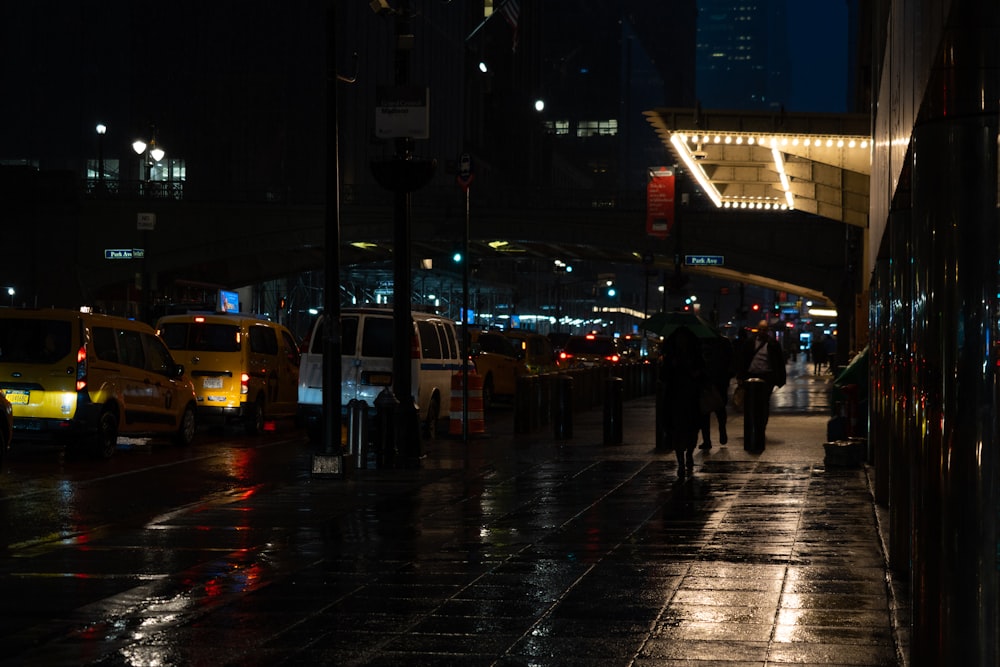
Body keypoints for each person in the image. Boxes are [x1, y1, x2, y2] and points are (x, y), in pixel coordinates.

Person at [659, 325, 705, 479]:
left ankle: (690, 453)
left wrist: (695, 374)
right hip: (676, 397)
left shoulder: (695, 356)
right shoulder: (671, 356)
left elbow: (703, 373)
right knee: (677, 429)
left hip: (692, 396)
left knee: (692, 428)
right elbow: (663, 376)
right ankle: (680, 459)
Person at [737, 319, 787, 434]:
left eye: (764, 330)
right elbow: (743, 360)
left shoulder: (773, 344)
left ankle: (761, 426)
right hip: (751, 376)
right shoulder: (750, 343)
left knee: (763, 402)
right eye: (761, 329)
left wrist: (780, 379)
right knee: (751, 403)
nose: (762, 332)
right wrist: (741, 376)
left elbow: (779, 362)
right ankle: (754, 426)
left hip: (766, 377)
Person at [698, 334, 735, 451]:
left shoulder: (701, 342)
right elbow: (731, 360)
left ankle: (708, 439)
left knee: (706, 411)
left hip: (711, 380)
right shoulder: (723, 342)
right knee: (718, 408)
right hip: (718, 380)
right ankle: (719, 431)